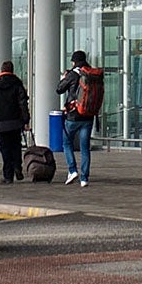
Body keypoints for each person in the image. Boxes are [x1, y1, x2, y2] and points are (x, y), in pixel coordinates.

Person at [56, 50, 103, 188]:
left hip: (73, 116)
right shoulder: (90, 73)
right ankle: (84, 178)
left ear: (74, 61)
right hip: (88, 116)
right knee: (84, 148)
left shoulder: (72, 74)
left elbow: (59, 89)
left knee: (66, 143)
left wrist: (64, 78)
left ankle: (72, 170)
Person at [0, 60, 31, 183]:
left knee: (5, 149)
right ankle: (17, 166)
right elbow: (22, 104)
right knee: (16, 146)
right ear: (12, 70)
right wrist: (26, 119)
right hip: (15, 122)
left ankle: (8, 175)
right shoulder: (17, 85)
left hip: (0, 123)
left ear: (1, 71)